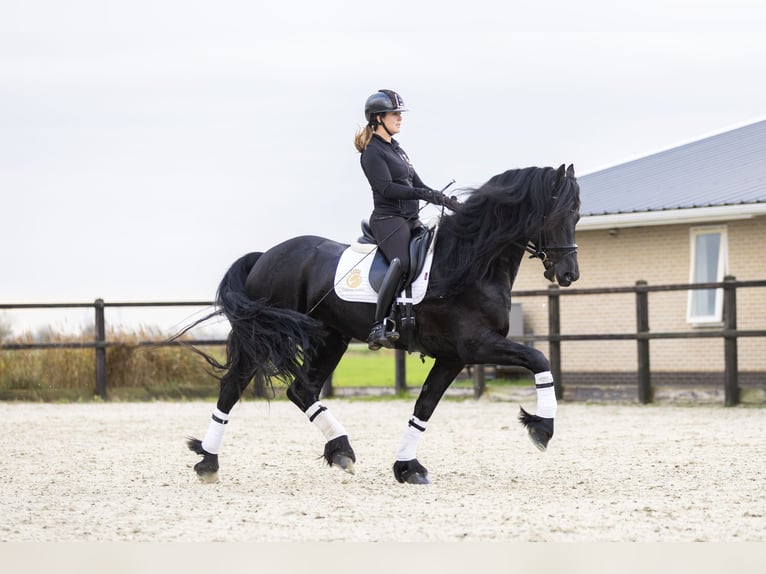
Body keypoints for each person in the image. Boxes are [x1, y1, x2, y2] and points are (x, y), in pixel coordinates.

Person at [354, 89, 460, 351]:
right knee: (402, 263)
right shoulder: (372, 153)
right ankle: (379, 324)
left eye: (400, 114)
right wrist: (423, 193)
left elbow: (417, 183)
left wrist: (444, 200)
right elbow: (388, 189)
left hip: (410, 218)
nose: (400, 118)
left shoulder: (397, 149)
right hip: (388, 220)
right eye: (394, 114)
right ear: (378, 118)